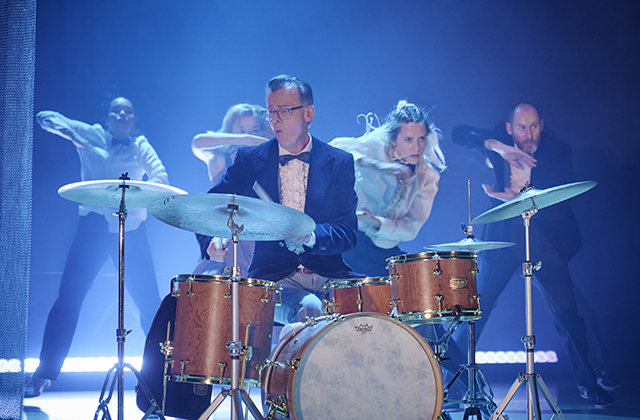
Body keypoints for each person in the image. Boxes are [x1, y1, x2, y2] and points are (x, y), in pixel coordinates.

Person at [451, 102, 614, 407]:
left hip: (543, 237)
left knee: (569, 315)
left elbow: (563, 203)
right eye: (522, 128)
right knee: (476, 309)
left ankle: (587, 382)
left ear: (543, 124)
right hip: (503, 239)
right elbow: (458, 133)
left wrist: (521, 201)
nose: (529, 135)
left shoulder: (557, 150)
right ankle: (453, 381)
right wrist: (497, 147)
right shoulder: (500, 138)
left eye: (535, 126)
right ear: (510, 127)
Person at [25, 97, 168, 398]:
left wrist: (141, 199)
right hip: (91, 227)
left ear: (133, 119)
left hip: (130, 229)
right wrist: (76, 136)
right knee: (69, 299)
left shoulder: (140, 144)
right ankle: (44, 374)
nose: (121, 114)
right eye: (115, 110)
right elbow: (45, 116)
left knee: (149, 304)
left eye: (127, 111)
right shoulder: (91, 134)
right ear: (107, 117)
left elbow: (161, 177)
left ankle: (161, 380)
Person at [196, 74, 358, 325]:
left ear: (308, 113)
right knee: (310, 308)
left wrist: (312, 236)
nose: (274, 120)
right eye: (270, 112)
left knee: (386, 305)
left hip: (330, 275)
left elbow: (347, 232)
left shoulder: (339, 161)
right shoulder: (251, 159)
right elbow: (211, 205)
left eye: (283, 111)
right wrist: (211, 240)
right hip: (276, 277)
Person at [329, 100, 445, 276]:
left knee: (417, 278)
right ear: (393, 140)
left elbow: (411, 226)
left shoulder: (428, 177)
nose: (417, 147)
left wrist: (375, 221)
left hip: (380, 246)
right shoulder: (375, 146)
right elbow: (334, 150)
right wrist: (377, 166)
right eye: (408, 140)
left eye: (421, 139)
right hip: (349, 236)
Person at [191, 104, 274, 277]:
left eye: (254, 130)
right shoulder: (219, 158)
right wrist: (247, 140)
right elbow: (198, 143)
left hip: (255, 236)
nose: (249, 134)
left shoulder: (266, 160)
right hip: (224, 232)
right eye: (242, 130)